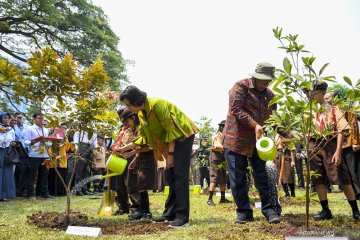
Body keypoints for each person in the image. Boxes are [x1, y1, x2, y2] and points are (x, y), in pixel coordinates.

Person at [119, 85, 198, 228]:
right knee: (170, 174)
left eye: (129, 105)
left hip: (182, 135)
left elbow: (171, 130)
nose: (128, 108)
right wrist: (126, 148)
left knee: (179, 174)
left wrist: (171, 155)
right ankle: (170, 213)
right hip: (170, 140)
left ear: (137, 100)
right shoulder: (141, 114)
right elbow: (145, 137)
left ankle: (182, 217)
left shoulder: (157, 105)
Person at [223, 62, 282, 224]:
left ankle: (269, 210)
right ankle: (244, 212)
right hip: (235, 141)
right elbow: (236, 109)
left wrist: (287, 133)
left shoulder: (270, 95)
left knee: (262, 176)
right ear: (255, 77)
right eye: (264, 80)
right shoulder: (241, 87)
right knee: (238, 178)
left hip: (258, 143)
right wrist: (255, 125)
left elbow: (274, 120)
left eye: (269, 80)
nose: (267, 83)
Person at [307, 81, 360, 221]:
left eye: (312, 92)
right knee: (318, 179)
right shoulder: (309, 110)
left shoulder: (333, 109)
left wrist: (337, 151)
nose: (309, 94)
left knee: (344, 178)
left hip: (330, 145)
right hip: (314, 145)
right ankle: (325, 210)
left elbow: (341, 130)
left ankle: (355, 210)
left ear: (322, 93)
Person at [111, 107, 141, 215]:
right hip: (119, 155)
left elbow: (138, 141)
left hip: (131, 154)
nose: (122, 119)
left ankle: (136, 208)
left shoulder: (136, 125)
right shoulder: (122, 128)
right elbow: (118, 141)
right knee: (119, 183)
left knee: (131, 182)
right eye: (120, 116)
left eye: (123, 116)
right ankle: (123, 207)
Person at [23, 113, 53, 199]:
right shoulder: (30, 128)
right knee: (32, 175)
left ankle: (44, 193)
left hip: (45, 154)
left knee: (44, 175)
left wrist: (51, 143)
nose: (41, 120)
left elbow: (48, 143)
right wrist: (34, 141)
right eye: (39, 118)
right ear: (34, 119)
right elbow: (25, 141)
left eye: (42, 119)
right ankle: (31, 194)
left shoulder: (46, 130)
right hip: (34, 155)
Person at [207, 120, 232, 206]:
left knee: (223, 178)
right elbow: (218, 146)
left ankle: (223, 198)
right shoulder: (218, 136)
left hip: (222, 158)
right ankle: (209, 199)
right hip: (215, 158)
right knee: (214, 177)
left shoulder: (225, 136)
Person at [73, 129, 97, 195]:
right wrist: (76, 148)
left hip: (91, 147)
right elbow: (76, 136)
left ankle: (84, 189)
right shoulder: (81, 125)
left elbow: (94, 138)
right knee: (80, 169)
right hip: (82, 145)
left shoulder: (93, 126)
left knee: (87, 170)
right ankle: (78, 190)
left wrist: (95, 149)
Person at [0, 112, 17, 201]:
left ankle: (5, 195)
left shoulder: (11, 130)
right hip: (0, 151)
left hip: (8, 152)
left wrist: (13, 144)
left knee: (7, 173)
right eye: (4, 118)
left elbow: (13, 141)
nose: (6, 120)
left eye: (8, 118)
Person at [13, 112, 30, 196]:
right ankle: (17, 190)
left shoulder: (27, 127)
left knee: (24, 171)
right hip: (16, 150)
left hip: (26, 152)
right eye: (17, 118)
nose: (19, 119)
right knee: (17, 171)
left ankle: (23, 190)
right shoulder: (13, 127)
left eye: (20, 117)